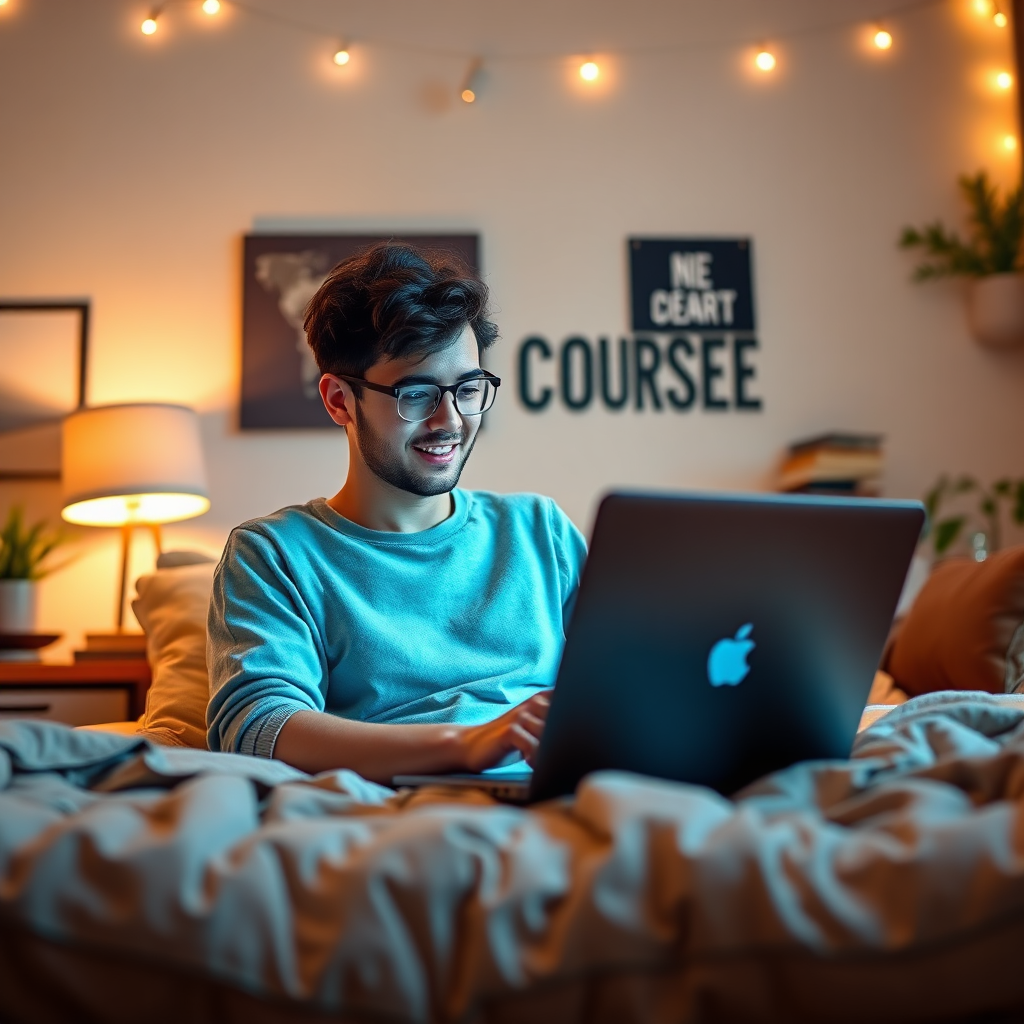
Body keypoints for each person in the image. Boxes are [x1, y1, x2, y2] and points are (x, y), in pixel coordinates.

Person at [206, 242, 587, 782]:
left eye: (468, 389)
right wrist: (466, 744)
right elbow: (259, 728)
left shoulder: (540, 532)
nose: (450, 420)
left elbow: (624, 684)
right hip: (403, 805)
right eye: (417, 393)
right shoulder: (273, 555)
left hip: (563, 794)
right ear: (339, 400)